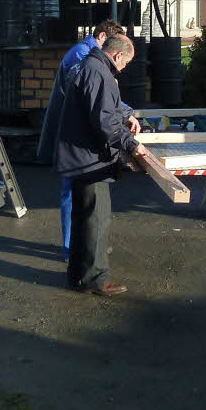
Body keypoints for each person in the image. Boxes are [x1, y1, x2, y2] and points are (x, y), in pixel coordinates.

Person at [55, 33, 149, 296]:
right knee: (95, 219)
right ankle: (95, 279)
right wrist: (132, 145)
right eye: (126, 62)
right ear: (118, 55)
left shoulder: (91, 67)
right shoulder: (98, 72)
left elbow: (103, 108)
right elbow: (103, 122)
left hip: (81, 157)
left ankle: (78, 276)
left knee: (84, 217)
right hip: (89, 161)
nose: (125, 67)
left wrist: (125, 114)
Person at [36, 20, 139, 256]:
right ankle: (74, 247)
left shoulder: (88, 56)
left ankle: (86, 244)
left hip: (75, 132)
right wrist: (125, 116)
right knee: (74, 192)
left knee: (77, 194)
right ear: (103, 38)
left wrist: (124, 112)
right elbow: (97, 97)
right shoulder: (86, 57)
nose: (119, 66)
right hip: (76, 138)